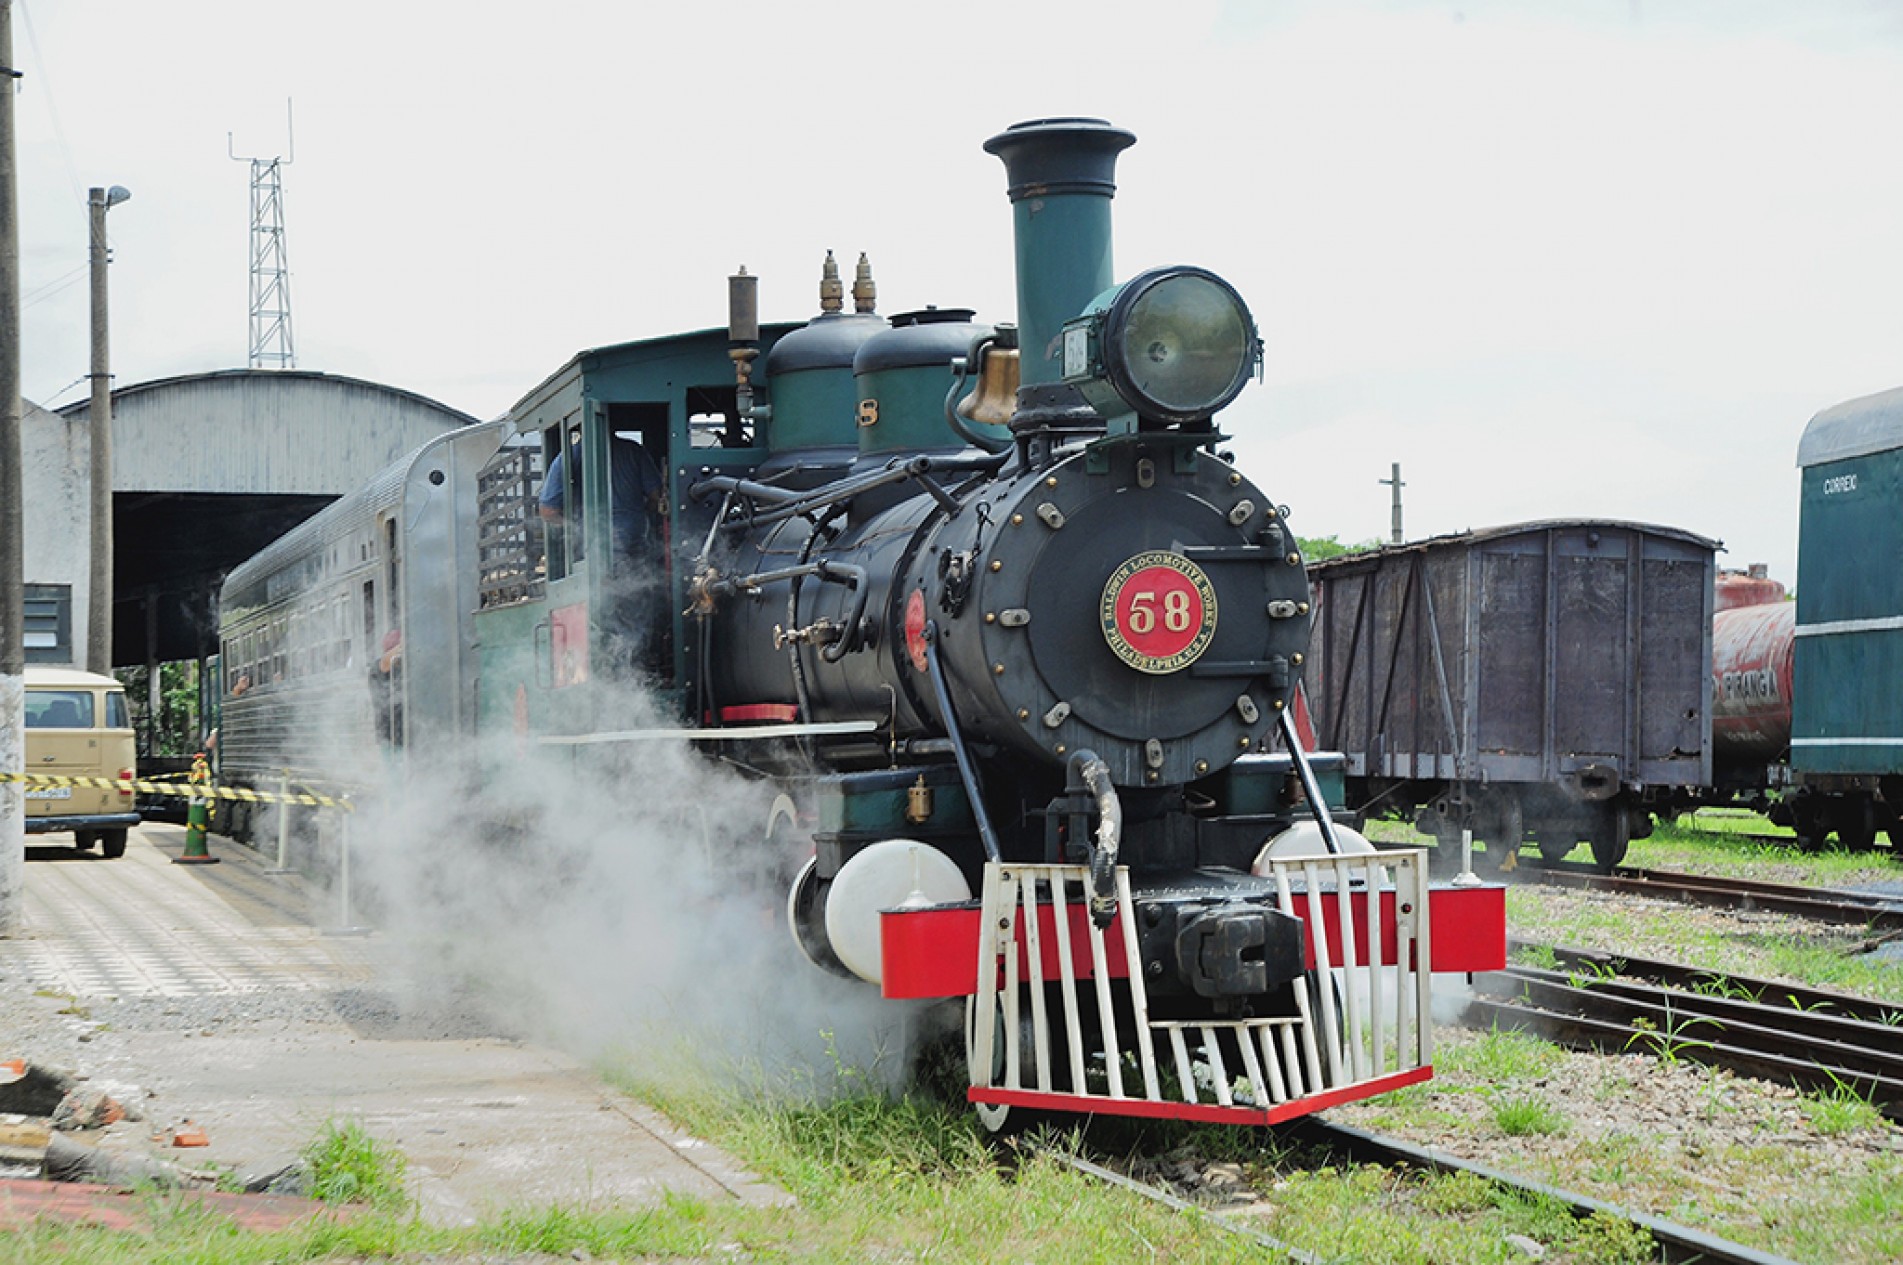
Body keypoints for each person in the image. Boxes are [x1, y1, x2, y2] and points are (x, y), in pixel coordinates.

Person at [539, 433, 666, 561]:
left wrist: (577, 529)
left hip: (594, 546)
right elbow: (656, 496)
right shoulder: (634, 450)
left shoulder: (568, 457)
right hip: (634, 538)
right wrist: (642, 515)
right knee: (640, 575)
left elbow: (548, 511)